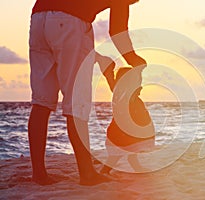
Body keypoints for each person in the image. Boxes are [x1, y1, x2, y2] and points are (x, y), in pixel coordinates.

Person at [28, 0, 146, 186]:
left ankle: (39, 174)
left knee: (41, 102)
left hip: (38, 17)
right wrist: (134, 59)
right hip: (70, 21)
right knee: (77, 102)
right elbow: (117, 31)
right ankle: (87, 174)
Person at [99, 67, 155, 174]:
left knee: (133, 147)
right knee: (116, 155)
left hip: (128, 127)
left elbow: (112, 83)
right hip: (122, 129)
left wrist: (108, 73)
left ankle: (136, 166)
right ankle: (105, 170)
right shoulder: (126, 93)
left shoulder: (119, 91)